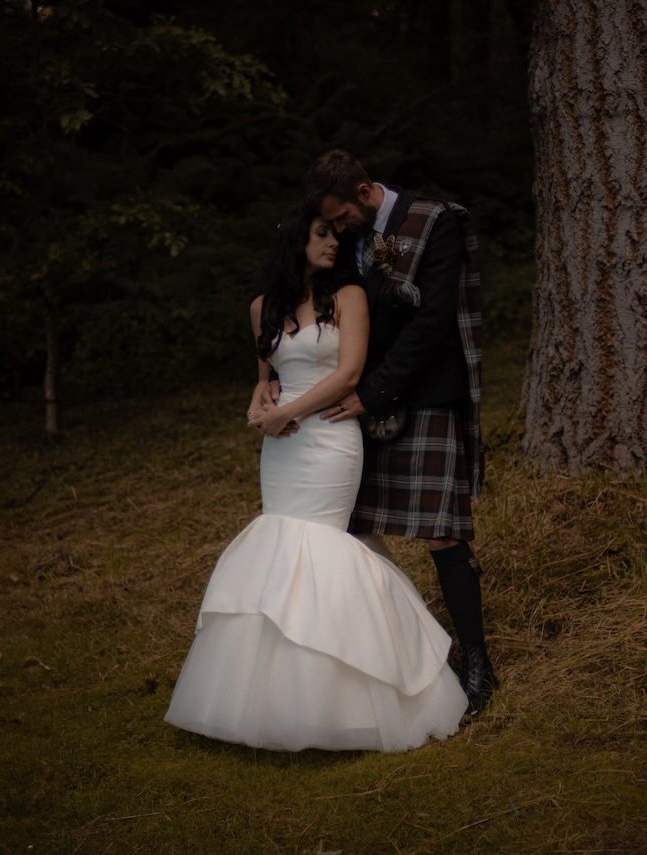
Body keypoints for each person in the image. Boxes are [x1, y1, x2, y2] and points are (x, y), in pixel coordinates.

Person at [164, 202, 468, 752]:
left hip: (329, 437)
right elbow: (265, 377)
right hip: (281, 448)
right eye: (321, 234)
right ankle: (271, 702)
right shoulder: (261, 308)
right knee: (279, 543)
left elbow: (349, 373)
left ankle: (357, 693)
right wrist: (260, 405)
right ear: (295, 242)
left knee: (322, 544)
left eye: (335, 235)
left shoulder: (348, 297)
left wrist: (289, 412)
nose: (333, 243)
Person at [303, 149, 498, 714]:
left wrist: (372, 392)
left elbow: (433, 322)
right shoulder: (346, 237)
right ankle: (387, 660)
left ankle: (478, 663)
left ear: (365, 192)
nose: (339, 230)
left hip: (424, 392)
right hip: (360, 397)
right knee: (350, 530)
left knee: (442, 531)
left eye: (343, 217)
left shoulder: (435, 221)